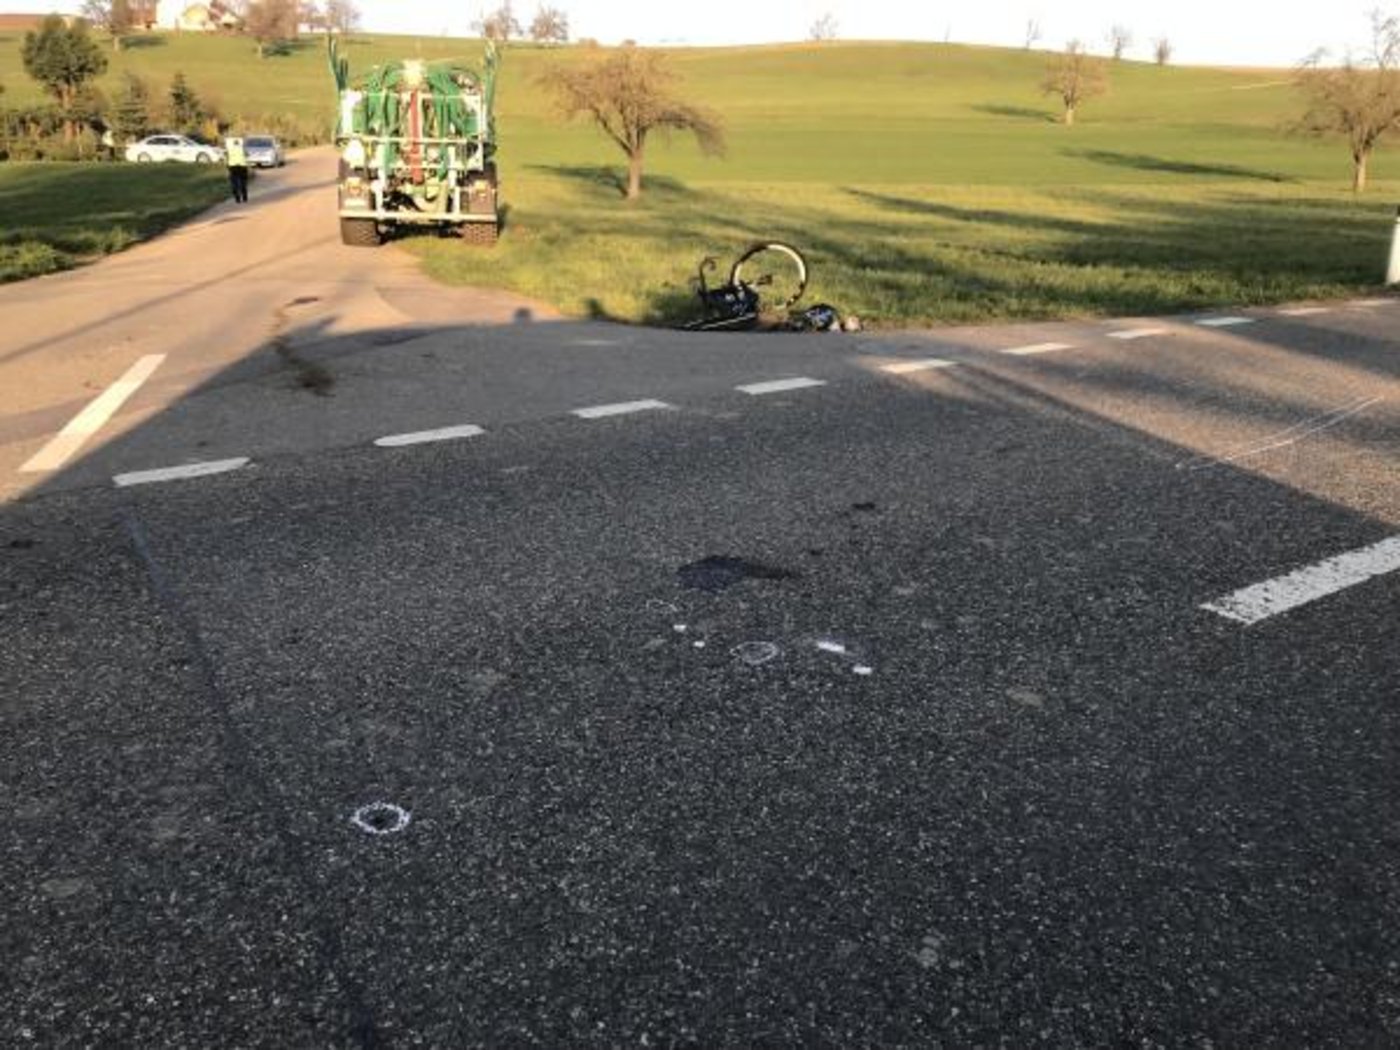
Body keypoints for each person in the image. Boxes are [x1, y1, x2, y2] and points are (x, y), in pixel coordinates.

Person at [224, 135, 249, 203]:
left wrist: (227, 166)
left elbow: (226, 158)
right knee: (243, 182)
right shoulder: (242, 149)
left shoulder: (230, 150)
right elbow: (247, 155)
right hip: (242, 166)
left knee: (234, 183)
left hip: (233, 167)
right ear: (239, 144)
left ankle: (237, 198)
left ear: (233, 144)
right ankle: (245, 197)